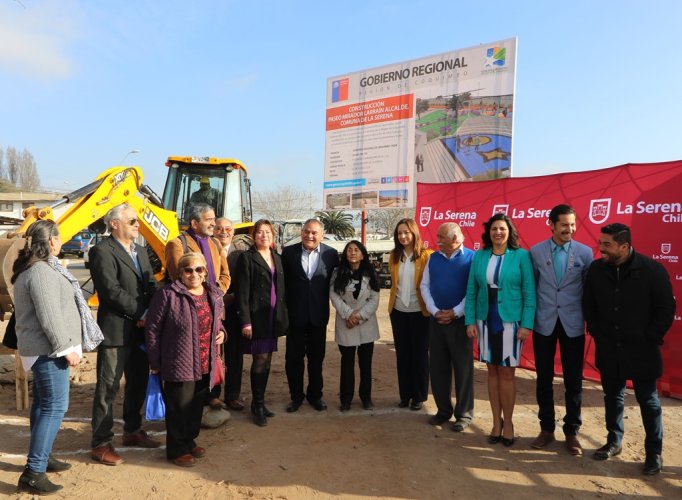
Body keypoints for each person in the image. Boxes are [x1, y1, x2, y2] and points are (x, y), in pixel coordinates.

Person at [583, 223, 675, 475]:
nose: (601, 248)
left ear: (624, 246)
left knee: (648, 401)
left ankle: (653, 453)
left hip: (642, 349)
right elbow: (588, 303)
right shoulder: (596, 269)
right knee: (612, 397)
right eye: (600, 243)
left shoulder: (652, 270)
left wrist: (651, 336)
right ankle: (614, 441)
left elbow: (666, 308)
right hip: (609, 347)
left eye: (607, 244)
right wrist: (597, 331)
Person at [12, 220, 96, 494]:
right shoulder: (41, 272)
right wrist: (66, 349)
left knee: (43, 405)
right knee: (54, 407)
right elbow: (50, 317)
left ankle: (43, 458)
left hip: (42, 349)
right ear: (51, 241)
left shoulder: (40, 269)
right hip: (48, 350)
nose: (61, 242)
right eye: (59, 238)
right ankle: (33, 473)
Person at [90, 203, 160, 466]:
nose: (137, 224)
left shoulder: (140, 251)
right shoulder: (101, 251)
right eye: (132, 221)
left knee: (137, 382)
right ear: (114, 223)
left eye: (137, 221)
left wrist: (152, 312)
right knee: (107, 387)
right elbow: (111, 291)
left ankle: (132, 430)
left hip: (141, 332)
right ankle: (100, 442)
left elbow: (151, 283)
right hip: (116, 331)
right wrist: (141, 313)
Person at [145, 252, 226, 467]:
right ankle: (176, 449)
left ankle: (189, 441)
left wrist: (223, 334)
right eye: (188, 270)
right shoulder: (168, 295)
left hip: (205, 360)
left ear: (205, 272)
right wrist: (155, 362)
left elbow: (217, 321)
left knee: (196, 405)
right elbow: (152, 329)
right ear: (180, 273)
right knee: (179, 407)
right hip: (179, 361)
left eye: (198, 269)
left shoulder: (213, 292)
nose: (194, 274)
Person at [465, 214, 536, 447]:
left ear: (509, 231)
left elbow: (530, 293)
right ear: (489, 232)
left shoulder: (522, 256)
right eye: (494, 228)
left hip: (511, 322)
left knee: (507, 373)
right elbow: (472, 291)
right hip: (485, 320)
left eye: (502, 228)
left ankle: (509, 424)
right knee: (492, 371)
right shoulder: (479, 256)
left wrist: (526, 324)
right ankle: (496, 422)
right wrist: (470, 321)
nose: (498, 232)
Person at [529, 204, 594, 455]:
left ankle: (572, 432)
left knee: (573, 380)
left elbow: (589, 291)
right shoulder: (535, 252)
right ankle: (546, 429)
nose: (570, 229)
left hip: (573, 324)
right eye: (565, 225)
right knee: (544, 378)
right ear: (551, 224)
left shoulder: (585, 253)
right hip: (544, 322)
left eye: (573, 225)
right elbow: (532, 288)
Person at [165, 203, 230, 409]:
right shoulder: (177, 244)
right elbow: (178, 277)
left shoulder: (215, 244)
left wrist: (215, 293)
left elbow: (225, 275)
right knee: (192, 356)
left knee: (214, 353)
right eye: (209, 220)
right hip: (190, 310)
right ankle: (190, 401)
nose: (214, 224)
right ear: (194, 222)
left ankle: (212, 394)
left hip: (214, 309)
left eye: (214, 219)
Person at [420, 222, 475, 431]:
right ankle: (443, 410)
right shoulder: (433, 258)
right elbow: (424, 285)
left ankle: (464, 415)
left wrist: (455, 312)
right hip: (437, 321)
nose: (437, 240)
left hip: (460, 322)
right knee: (438, 368)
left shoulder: (472, 258)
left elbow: (473, 290)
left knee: (463, 369)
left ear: (454, 239)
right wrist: (435, 311)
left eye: (441, 237)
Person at [235, 219, 289, 426]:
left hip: (273, 318)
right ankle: (256, 405)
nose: (263, 235)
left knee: (267, 361)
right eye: (259, 232)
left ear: (273, 236)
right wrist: (245, 322)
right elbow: (242, 292)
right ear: (253, 235)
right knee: (259, 359)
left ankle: (261, 401)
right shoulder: (247, 258)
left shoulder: (277, 257)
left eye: (267, 232)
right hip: (256, 318)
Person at [282, 219, 339, 412]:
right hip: (295, 316)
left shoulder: (331, 255)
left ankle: (315, 396)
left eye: (314, 232)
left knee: (316, 359)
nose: (310, 236)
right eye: (306, 231)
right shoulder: (288, 253)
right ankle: (296, 397)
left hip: (318, 316)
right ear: (301, 232)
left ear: (322, 235)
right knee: (293, 359)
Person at [387, 218, 433, 410]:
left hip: (419, 312)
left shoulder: (426, 256)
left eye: (406, 232)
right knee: (403, 355)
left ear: (414, 233)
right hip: (398, 311)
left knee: (419, 355)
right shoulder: (393, 256)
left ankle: (419, 396)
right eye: (399, 233)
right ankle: (405, 395)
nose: (403, 236)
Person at [330, 241, 380, 411]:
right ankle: (346, 399)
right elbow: (334, 295)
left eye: (356, 250)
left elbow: (375, 298)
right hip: (346, 323)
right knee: (347, 363)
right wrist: (348, 314)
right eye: (349, 250)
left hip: (366, 324)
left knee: (366, 364)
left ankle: (366, 397)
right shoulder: (337, 272)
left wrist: (358, 316)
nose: (352, 253)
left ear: (363, 254)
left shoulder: (370, 272)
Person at [223, 232, 254, 411]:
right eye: (219, 228)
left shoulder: (240, 253)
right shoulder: (204, 250)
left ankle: (232, 395)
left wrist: (233, 297)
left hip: (233, 311)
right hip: (207, 312)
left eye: (228, 228)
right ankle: (211, 396)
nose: (223, 232)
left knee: (234, 356)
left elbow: (246, 282)